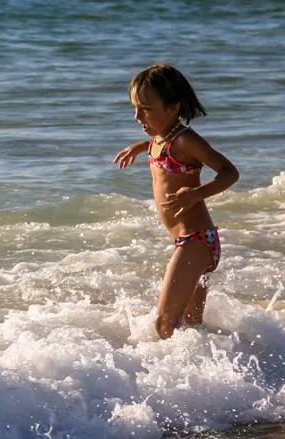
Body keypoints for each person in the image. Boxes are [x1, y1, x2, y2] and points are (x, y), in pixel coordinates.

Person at [113, 64, 239, 339]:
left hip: (195, 241)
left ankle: (168, 378)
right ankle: (209, 377)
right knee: (192, 326)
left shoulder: (185, 141)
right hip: (195, 241)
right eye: (134, 108)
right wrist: (141, 146)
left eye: (145, 109)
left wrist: (196, 194)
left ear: (172, 108)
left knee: (164, 323)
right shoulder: (161, 138)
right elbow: (160, 143)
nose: (137, 116)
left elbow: (230, 173)